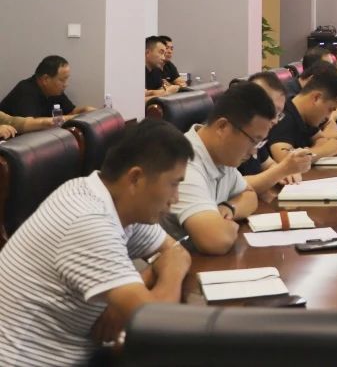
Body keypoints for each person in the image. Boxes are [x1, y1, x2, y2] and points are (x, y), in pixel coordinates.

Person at [0, 119, 193, 366]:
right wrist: (173, 268)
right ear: (136, 178)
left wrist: (135, 285)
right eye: (174, 184)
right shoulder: (88, 221)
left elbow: (174, 250)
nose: (175, 198)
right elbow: (157, 324)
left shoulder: (110, 199)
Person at [161, 83, 276, 255]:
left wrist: (229, 208)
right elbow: (216, 240)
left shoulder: (222, 156)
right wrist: (226, 227)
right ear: (223, 127)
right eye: (253, 140)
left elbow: (250, 195)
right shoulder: (184, 163)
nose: (254, 152)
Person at [237, 71, 315, 195]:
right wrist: (282, 170)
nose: (275, 121)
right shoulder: (234, 134)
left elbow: (268, 164)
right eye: (272, 111)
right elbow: (235, 186)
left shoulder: (259, 133)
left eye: (279, 114)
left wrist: (284, 173)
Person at [267, 67, 337, 162]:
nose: (328, 117)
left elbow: (320, 139)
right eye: (330, 109)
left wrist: (313, 151)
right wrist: (323, 151)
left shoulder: (306, 116)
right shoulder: (283, 115)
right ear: (316, 98)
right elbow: (285, 159)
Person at [0, 55, 95, 119]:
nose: (66, 84)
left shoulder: (55, 91)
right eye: (62, 80)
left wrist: (84, 110)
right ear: (45, 79)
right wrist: (75, 117)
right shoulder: (25, 91)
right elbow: (32, 125)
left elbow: (70, 112)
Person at [145, 36, 180, 101]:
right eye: (161, 52)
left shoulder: (156, 71)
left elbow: (160, 90)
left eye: (164, 54)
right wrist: (165, 93)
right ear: (147, 53)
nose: (163, 58)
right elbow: (137, 100)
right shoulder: (136, 72)